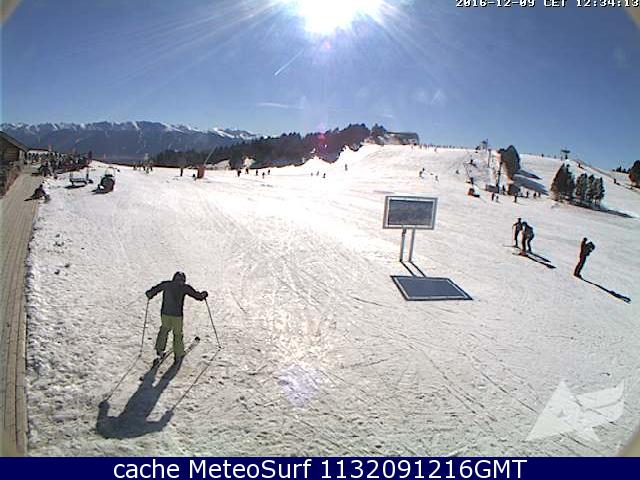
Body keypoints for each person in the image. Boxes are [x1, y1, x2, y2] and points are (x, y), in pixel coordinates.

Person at [145, 272, 208, 364]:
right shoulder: (185, 287)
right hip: (177, 315)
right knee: (177, 333)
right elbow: (197, 296)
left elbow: (155, 289)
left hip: (165, 313)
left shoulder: (166, 284)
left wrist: (150, 294)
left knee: (164, 330)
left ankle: (160, 349)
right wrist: (203, 295)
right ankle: (178, 354)